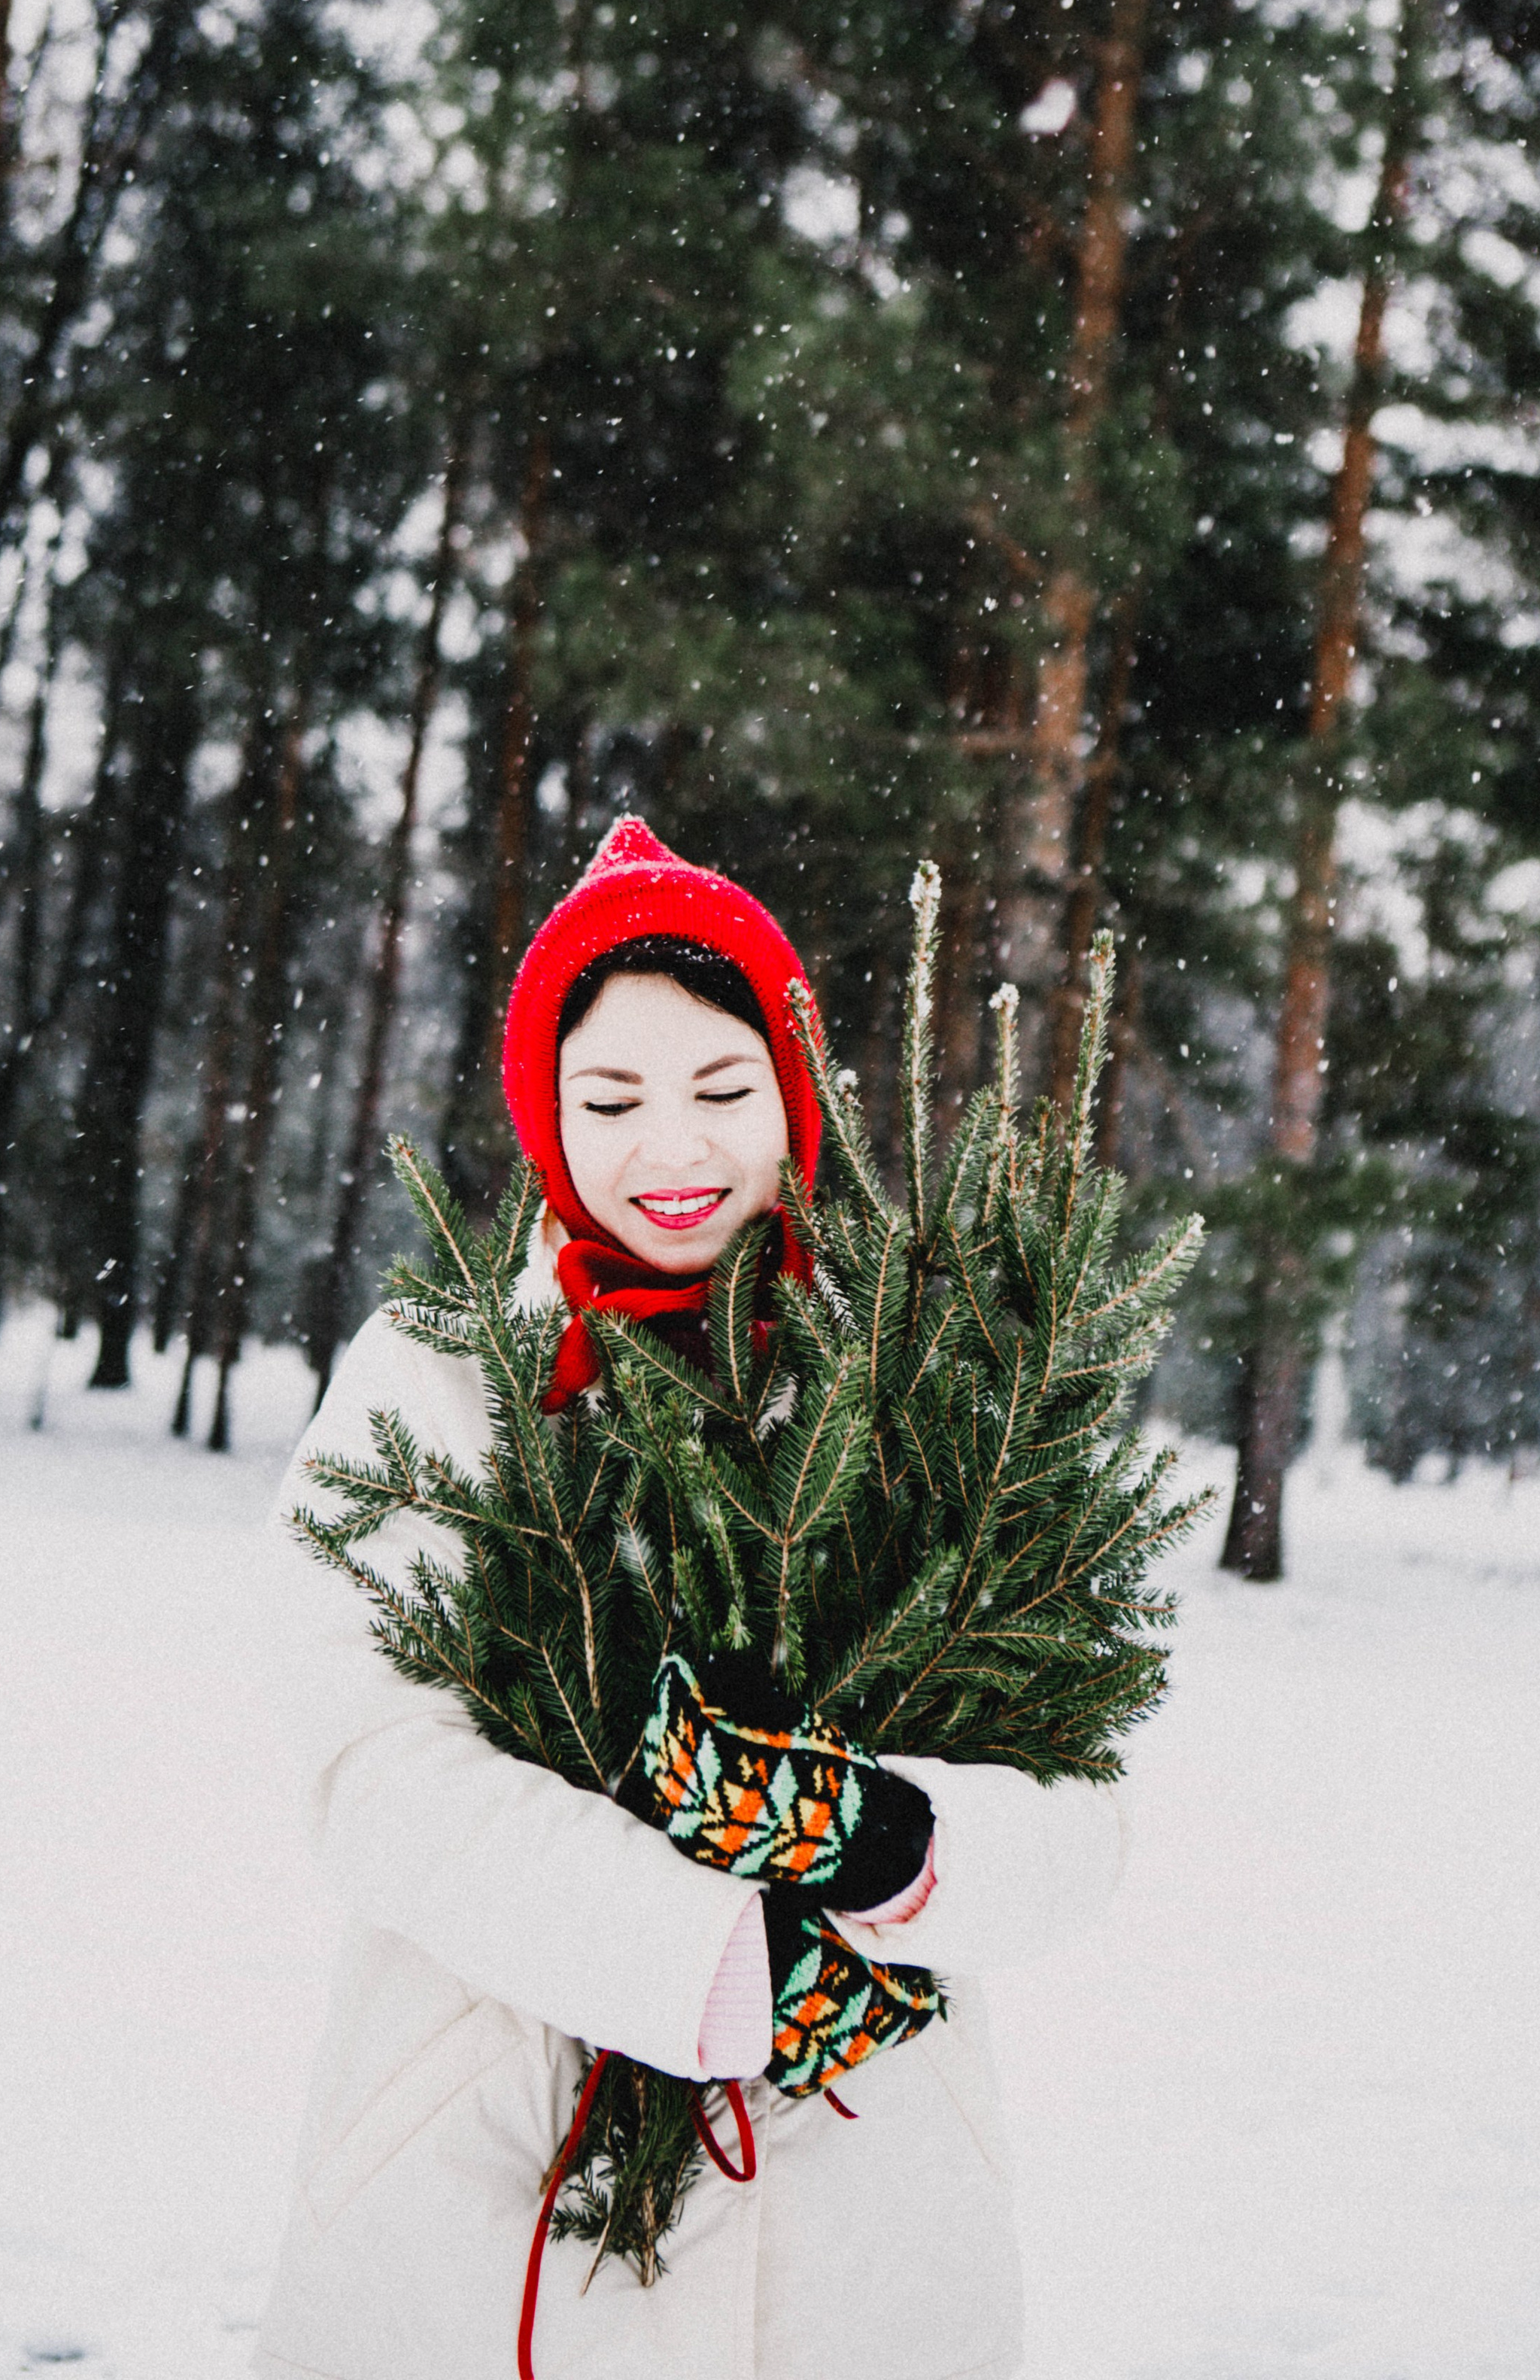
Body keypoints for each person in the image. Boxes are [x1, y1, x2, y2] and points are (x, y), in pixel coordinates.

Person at [254, 819, 1127, 2380]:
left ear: (791, 1099)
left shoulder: (917, 1381)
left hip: (862, 2190)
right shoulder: (438, 1379)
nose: (672, 1150)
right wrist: (705, 1957)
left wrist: (894, 1841)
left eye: (723, 1093)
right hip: (485, 2157)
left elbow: (1078, 1801)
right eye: (610, 1100)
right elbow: (367, 1765)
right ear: (543, 1111)